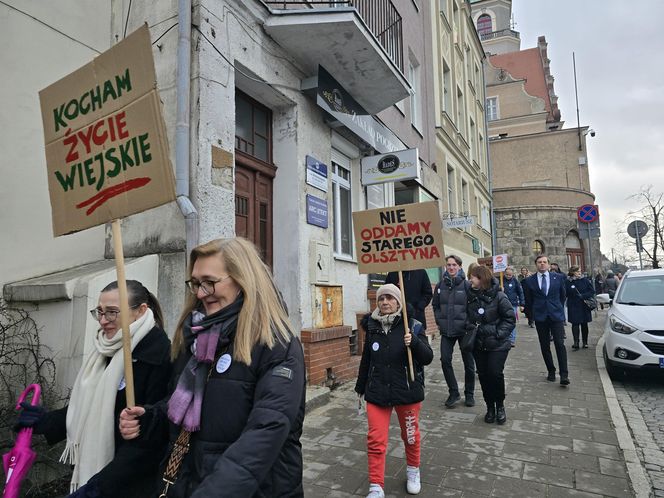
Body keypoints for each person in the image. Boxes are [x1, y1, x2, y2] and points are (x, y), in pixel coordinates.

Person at [119, 237, 305, 498]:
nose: (199, 293)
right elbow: (182, 408)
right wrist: (149, 419)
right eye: (195, 283)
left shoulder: (277, 344)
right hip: (183, 483)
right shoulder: (193, 338)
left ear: (244, 280)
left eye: (209, 282)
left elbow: (266, 432)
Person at [15, 280, 172, 497]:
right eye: (99, 311)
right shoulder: (106, 350)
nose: (103, 320)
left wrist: (99, 486)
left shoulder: (160, 356)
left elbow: (151, 439)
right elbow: (87, 409)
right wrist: (45, 420)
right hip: (95, 480)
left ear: (140, 311)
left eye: (112, 312)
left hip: (129, 485)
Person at [355, 284, 434, 497]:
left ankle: (413, 470)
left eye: (390, 298)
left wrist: (414, 342)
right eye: (382, 299)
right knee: (375, 439)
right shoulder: (371, 326)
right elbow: (367, 359)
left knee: (410, 436)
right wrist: (360, 388)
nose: (385, 302)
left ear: (398, 302)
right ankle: (376, 485)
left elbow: (427, 357)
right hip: (377, 391)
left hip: (406, 391)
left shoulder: (413, 326)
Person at [466, 265, 515, 425]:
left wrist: (498, 334)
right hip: (478, 344)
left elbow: (509, 318)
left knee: (495, 374)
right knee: (484, 376)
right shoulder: (470, 296)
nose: (470, 279)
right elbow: (465, 317)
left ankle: (500, 406)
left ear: (481, 278)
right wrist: (469, 328)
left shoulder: (500, 296)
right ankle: (490, 407)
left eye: (473, 276)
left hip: (498, 344)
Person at [432, 255, 475, 408]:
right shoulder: (440, 285)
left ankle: (469, 394)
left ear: (459, 266)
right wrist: (439, 320)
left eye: (454, 265)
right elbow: (435, 305)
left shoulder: (467, 285)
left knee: (469, 364)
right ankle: (454, 392)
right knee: (445, 360)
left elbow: (473, 307)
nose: (451, 267)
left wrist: (469, 324)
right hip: (447, 331)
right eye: (448, 265)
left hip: (464, 331)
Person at [522, 254, 570, 386]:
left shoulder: (558, 278)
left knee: (560, 344)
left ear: (548, 264)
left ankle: (564, 374)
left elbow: (562, 296)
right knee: (544, 345)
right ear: (536, 264)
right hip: (540, 316)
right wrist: (533, 314)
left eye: (544, 262)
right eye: (539, 262)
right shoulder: (530, 281)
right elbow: (529, 300)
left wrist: (557, 308)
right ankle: (551, 371)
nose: (542, 264)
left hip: (556, 315)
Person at [385, 269, 432, 334]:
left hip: (416, 317)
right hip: (396, 318)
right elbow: (387, 292)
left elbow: (427, 293)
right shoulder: (393, 274)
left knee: (418, 341)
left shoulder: (420, 272)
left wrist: (419, 307)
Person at [565, 266, 595, 349]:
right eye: (577, 271)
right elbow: (565, 293)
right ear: (572, 272)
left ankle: (585, 342)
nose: (579, 273)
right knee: (575, 324)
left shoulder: (585, 280)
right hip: (573, 305)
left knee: (584, 324)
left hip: (584, 305)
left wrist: (583, 296)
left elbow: (592, 291)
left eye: (580, 271)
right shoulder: (568, 281)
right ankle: (576, 342)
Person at [501, 266, 524, 347]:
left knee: (511, 322)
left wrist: (522, 304)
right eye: (507, 275)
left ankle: (512, 339)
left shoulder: (515, 281)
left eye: (510, 275)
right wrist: (500, 289)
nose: (508, 276)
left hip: (512, 304)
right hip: (502, 304)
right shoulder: (500, 280)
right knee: (502, 322)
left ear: (512, 274)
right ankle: (504, 338)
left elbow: (520, 292)